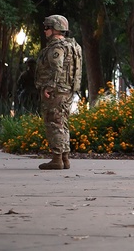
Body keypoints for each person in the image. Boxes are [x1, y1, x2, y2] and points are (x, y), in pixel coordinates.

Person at [34, 15, 83, 170]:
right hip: (67, 90)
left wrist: (49, 86)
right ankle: (64, 158)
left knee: (54, 122)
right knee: (63, 123)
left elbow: (57, 67)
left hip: (57, 91)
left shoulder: (57, 47)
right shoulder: (73, 46)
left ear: (55, 29)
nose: (45, 31)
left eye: (47, 28)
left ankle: (57, 159)